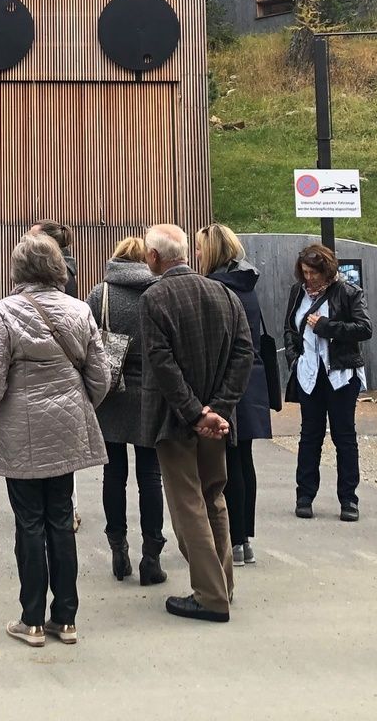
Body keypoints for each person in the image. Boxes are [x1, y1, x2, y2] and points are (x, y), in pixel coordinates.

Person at [0, 232, 108, 647]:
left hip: (20, 427)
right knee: (61, 518)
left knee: (29, 522)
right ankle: (66, 619)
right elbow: (101, 375)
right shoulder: (79, 309)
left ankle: (31, 619)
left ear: (18, 268)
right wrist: (82, 404)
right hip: (66, 424)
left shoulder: (4, 311)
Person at [140, 223, 252, 624]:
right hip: (216, 423)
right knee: (214, 497)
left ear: (154, 257)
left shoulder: (155, 298)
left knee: (188, 503)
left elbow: (162, 364)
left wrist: (195, 412)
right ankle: (223, 584)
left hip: (176, 421)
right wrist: (218, 409)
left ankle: (209, 595)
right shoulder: (225, 294)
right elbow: (244, 353)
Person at [83, 236, 166, 585]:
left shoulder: (100, 293)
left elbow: (86, 340)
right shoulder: (159, 291)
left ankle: (118, 548)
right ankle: (151, 556)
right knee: (151, 476)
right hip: (152, 391)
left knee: (113, 475)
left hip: (111, 392)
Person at [198, 224, 273, 567]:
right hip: (252, 381)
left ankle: (233, 538)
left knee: (227, 464)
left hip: (228, 383)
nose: (197, 254)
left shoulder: (217, 288)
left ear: (213, 251)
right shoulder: (247, 285)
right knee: (244, 459)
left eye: (200, 248)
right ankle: (245, 540)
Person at [283, 242, 373, 522]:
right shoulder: (298, 292)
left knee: (344, 436)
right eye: (305, 272)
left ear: (327, 271)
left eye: (314, 273)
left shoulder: (348, 292)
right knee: (310, 435)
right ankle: (304, 496)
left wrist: (326, 326)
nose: (309, 278)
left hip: (341, 374)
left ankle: (349, 499)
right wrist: (294, 359)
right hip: (309, 372)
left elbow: (364, 328)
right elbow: (290, 328)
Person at [30, 219, 79, 297]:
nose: (27, 241)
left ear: (48, 241)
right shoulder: (62, 266)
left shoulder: (55, 271)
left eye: (34, 237)